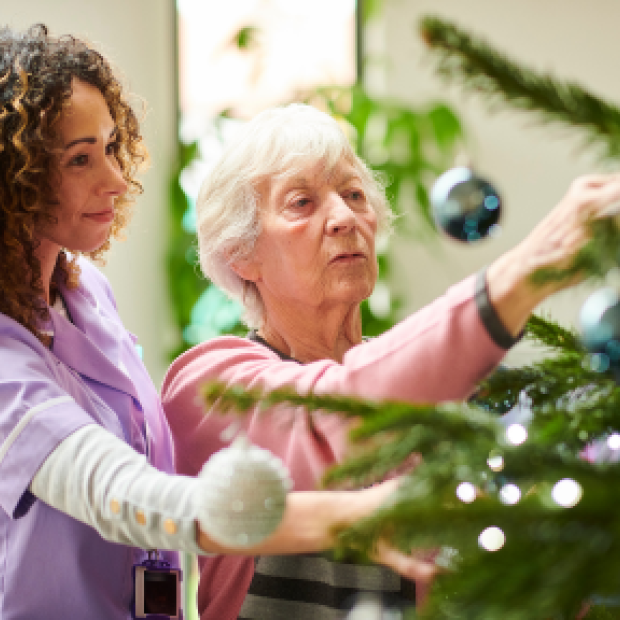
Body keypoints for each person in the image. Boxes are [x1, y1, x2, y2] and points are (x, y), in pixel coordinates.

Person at [0, 25, 437, 620]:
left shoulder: (88, 298)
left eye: (355, 194)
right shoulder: (219, 379)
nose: (116, 179)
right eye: (80, 157)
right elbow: (118, 494)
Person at [161, 103, 620, 620]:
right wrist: (524, 272)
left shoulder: (427, 386)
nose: (344, 218)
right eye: (302, 202)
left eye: (354, 195)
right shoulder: (211, 382)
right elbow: (340, 416)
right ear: (240, 253)